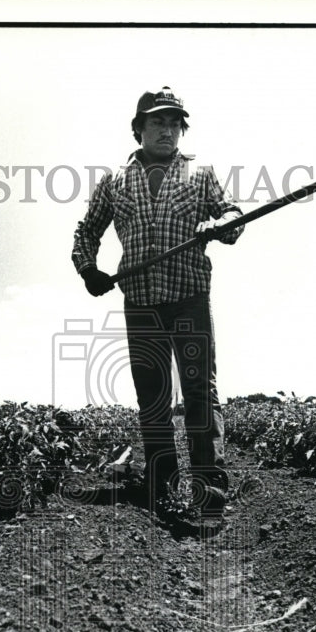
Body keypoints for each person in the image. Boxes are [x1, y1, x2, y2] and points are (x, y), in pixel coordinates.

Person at [72, 86, 244, 518]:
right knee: (153, 396)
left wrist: (224, 224)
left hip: (189, 298)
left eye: (174, 123)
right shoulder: (115, 179)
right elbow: (87, 231)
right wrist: (88, 269)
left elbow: (231, 213)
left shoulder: (200, 173)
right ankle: (162, 484)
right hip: (142, 303)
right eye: (157, 122)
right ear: (138, 129)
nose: (168, 131)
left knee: (200, 393)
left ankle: (209, 485)